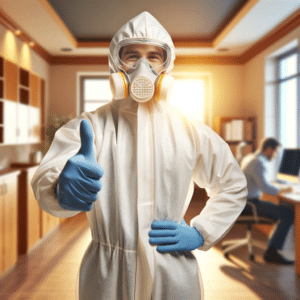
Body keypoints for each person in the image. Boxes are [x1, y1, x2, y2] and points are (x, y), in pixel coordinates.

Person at [31, 12, 247, 299]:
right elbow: (46, 178)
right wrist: (60, 187)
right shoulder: (89, 127)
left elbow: (232, 184)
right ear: (116, 63)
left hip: (170, 266)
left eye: (154, 57)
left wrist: (201, 231)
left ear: (166, 66)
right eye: (132, 56)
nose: (143, 66)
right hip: (107, 271)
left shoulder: (190, 130)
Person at [241, 137, 294, 265]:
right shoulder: (257, 162)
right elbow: (265, 188)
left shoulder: (251, 158)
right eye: (275, 152)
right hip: (249, 204)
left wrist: (279, 188)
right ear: (269, 149)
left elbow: (262, 183)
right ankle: (271, 252)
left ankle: (273, 247)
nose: (275, 155)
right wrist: (283, 189)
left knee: (283, 210)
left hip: (244, 202)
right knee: (288, 214)